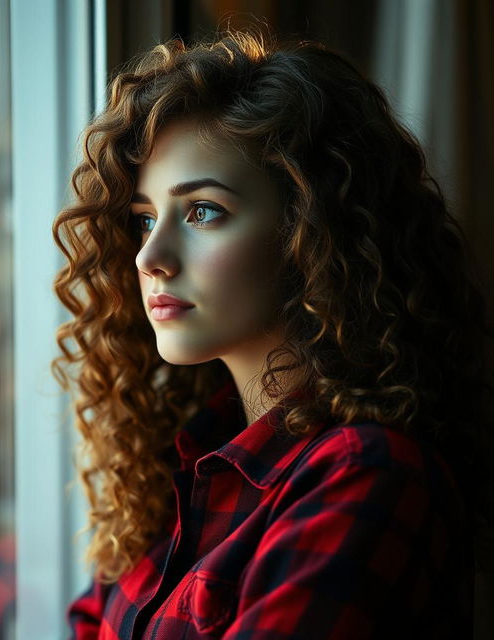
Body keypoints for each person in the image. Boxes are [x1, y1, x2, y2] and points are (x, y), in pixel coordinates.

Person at [52, 30, 492, 639]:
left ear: (310, 234)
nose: (150, 255)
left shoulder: (369, 475)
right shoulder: (179, 468)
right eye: (145, 218)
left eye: (204, 210)